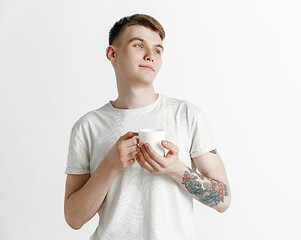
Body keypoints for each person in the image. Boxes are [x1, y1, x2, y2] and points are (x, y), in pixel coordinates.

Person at [64, 13, 231, 240]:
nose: (150, 55)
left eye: (157, 50)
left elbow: (223, 200)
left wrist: (175, 169)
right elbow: (74, 219)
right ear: (112, 54)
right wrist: (109, 166)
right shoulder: (88, 126)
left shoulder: (187, 115)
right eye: (138, 45)